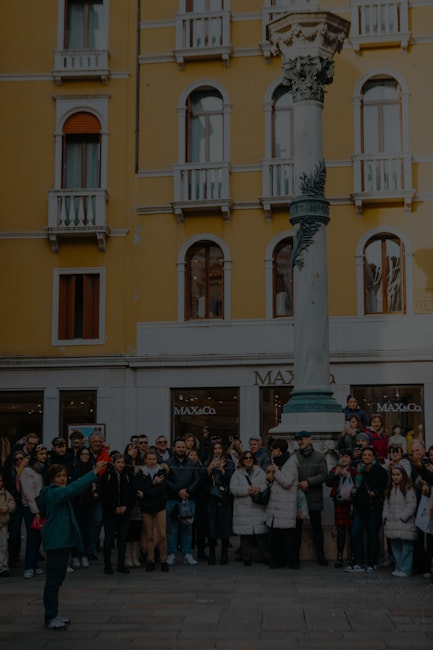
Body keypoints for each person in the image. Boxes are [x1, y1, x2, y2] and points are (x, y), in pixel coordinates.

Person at [36, 459, 107, 630]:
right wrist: (94, 472)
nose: (62, 479)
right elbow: (74, 488)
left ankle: (54, 613)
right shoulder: (55, 492)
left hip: (62, 540)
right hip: (56, 541)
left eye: (64, 476)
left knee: (57, 579)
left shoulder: (54, 492)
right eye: (58, 476)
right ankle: (50, 616)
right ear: (51, 478)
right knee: (53, 581)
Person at [345, 446, 388, 573]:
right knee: (355, 533)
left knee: (373, 535)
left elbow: (384, 486)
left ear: (373, 457)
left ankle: (372, 563)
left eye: (369, 455)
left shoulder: (379, 470)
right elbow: (356, 486)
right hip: (360, 508)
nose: (367, 457)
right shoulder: (359, 470)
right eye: (364, 455)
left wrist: (376, 492)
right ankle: (358, 562)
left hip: (373, 507)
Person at [293, 431, 329, 567]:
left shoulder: (320, 456)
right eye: (298, 439)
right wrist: (298, 484)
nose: (300, 442)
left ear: (309, 439)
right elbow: (290, 474)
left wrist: (308, 482)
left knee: (317, 528)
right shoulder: (294, 456)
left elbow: (323, 475)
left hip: (314, 497)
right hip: (298, 497)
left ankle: (321, 555)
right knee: (296, 529)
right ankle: (295, 557)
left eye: (302, 439)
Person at [165, 438, 202, 566]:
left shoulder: (192, 463)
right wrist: (177, 491)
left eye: (183, 447)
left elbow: (197, 479)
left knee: (187, 529)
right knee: (172, 530)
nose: (181, 449)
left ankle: (187, 554)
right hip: (172, 500)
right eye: (178, 447)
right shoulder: (167, 463)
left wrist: (188, 491)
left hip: (188, 500)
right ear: (173, 448)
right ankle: (171, 554)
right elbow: (165, 480)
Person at [99, 453, 137, 575]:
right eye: (118, 462)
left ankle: (121, 564)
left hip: (124, 512)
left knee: (122, 539)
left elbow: (133, 494)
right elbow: (102, 495)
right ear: (113, 463)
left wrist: (126, 507)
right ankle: (107, 565)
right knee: (109, 539)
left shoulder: (128, 475)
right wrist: (113, 508)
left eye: (122, 462)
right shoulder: (107, 475)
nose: (120, 465)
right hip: (110, 513)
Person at [229, 451, 269, 566]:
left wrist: (259, 488)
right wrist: (247, 490)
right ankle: (246, 557)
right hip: (243, 508)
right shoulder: (237, 473)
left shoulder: (260, 471)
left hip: (258, 508)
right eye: (246, 458)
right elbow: (233, 489)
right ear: (242, 460)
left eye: (250, 457)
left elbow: (266, 484)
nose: (248, 459)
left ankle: (265, 556)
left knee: (261, 535)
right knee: (246, 535)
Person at [265, 443, 298, 569]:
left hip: (286, 504)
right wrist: (268, 478)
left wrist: (276, 471)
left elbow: (287, 482)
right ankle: (277, 561)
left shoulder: (291, 463)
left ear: (279, 449)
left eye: (273, 449)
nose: (272, 452)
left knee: (287, 536)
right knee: (275, 536)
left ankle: (291, 562)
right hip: (275, 505)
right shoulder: (275, 462)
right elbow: (273, 482)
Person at [136, 449, 169, 572]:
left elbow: (161, 490)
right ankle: (150, 561)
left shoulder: (161, 471)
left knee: (162, 535)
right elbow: (139, 488)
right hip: (146, 508)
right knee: (149, 535)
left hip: (159, 506)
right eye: (149, 459)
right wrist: (154, 483)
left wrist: (145, 493)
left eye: (153, 459)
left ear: (156, 460)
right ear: (145, 460)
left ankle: (163, 560)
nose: (151, 461)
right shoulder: (140, 473)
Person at [383, 464, 417, 577]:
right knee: (396, 546)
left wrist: (403, 516)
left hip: (404, 522)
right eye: (393, 475)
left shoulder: (408, 487)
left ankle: (406, 569)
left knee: (407, 547)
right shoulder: (390, 488)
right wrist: (385, 516)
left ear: (403, 475)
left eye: (398, 474)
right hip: (392, 522)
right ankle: (399, 567)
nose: (395, 477)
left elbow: (411, 505)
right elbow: (386, 504)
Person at [20, 444, 48, 579]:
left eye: (45, 453)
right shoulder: (28, 470)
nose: (44, 456)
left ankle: (34, 565)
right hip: (30, 508)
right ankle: (29, 567)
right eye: (41, 454)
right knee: (32, 537)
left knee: (39, 537)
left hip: (42, 507)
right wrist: (36, 511)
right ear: (35, 455)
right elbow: (29, 493)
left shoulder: (43, 469)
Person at [205, 440, 235, 565]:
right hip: (211, 498)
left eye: (219, 448)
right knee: (211, 527)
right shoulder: (208, 462)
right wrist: (209, 469)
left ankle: (224, 555)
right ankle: (212, 555)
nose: (217, 450)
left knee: (224, 528)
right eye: (215, 448)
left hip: (224, 498)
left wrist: (223, 471)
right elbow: (202, 481)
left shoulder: (230, 463)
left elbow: (232, 480)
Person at [325, 450, 355, 568]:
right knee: (340, 531)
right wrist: (335, 475)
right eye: (342, 457)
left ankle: (353, 556)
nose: (343, 459)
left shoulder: (354, 470)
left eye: (346, 456)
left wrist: (349, 476)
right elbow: (328, 483)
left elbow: (358, 484)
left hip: (351, 504)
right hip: (339, 503)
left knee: (352, 531)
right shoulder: (335, 469)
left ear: (351, 459)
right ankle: (339, 557)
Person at [70, 446, 98, 569]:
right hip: (76, 502)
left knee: (87, 529)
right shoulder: (74, 467)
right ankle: (76, 554)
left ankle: (85, 554)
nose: (85, 456)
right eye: (83, 454)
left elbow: (98, 482)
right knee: (77, 529)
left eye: (87, 454)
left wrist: (96, 492)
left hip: (89, 502)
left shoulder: (93, 467)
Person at [0, 471, 16, 577]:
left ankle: (3, 567)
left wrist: (7, 507)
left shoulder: (5, 493)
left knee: (3, 546)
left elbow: (12, 503)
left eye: (0, 481)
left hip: (3, 523)